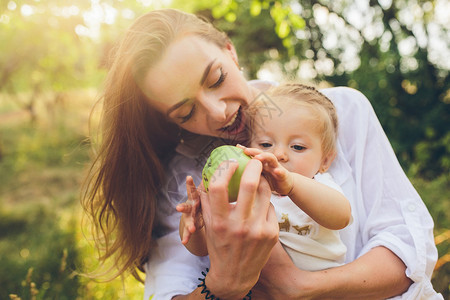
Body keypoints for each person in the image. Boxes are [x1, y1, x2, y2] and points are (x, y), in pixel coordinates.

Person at [80, 8, 442, 300]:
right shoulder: (184, 177)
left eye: (217, 78)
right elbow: (170, 288)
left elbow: (409, 256)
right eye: (186, 112)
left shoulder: (336, 114)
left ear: (229, 50)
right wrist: (221, 285)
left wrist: (300, 288)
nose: (218, 111)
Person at [178, 83, 353, 272]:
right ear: (248, 147)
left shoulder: (320, 186)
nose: (278, 154)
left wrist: (291, 185)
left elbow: (341, 217)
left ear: (325, 161)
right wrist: (196, 221)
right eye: (266, 144)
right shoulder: (242, 193)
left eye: (298, 147)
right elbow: (202, 249)